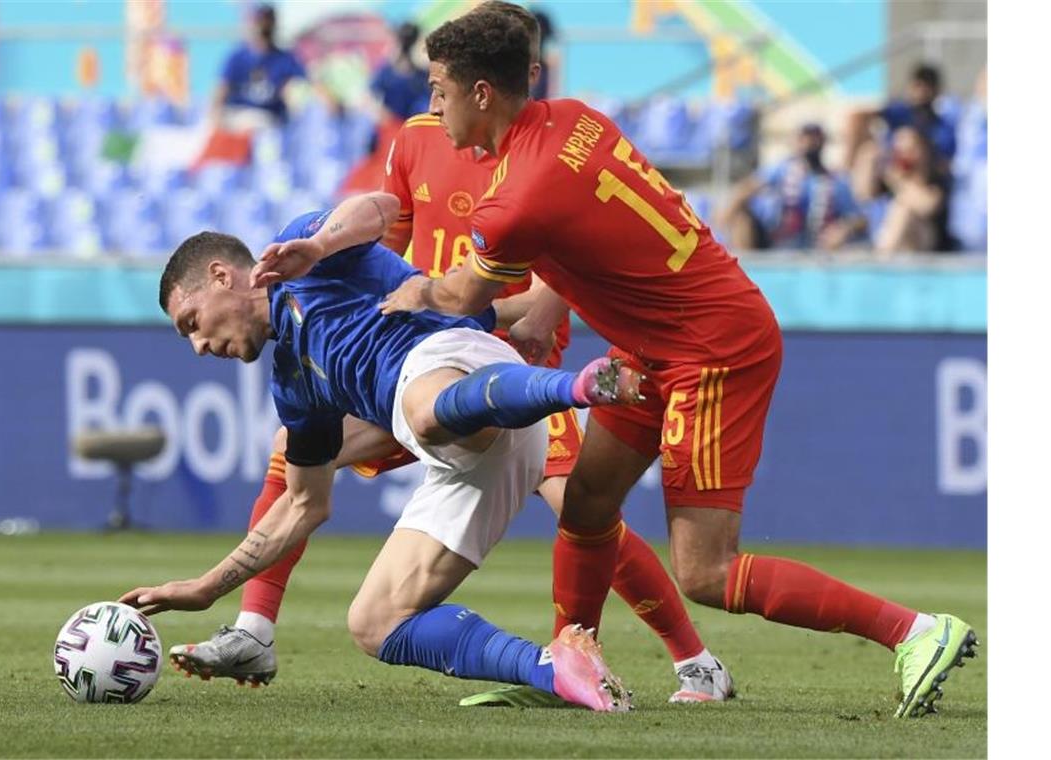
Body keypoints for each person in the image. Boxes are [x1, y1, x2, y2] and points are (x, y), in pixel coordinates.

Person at [377, 4, 979, 718]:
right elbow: (597, 235)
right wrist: (551, 299)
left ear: (482, 94)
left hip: (711, 347)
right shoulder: (572, 120)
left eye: (440, 88)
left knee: (706, 571)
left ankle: (913, 631)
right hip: (660, 339)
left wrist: (411, 289)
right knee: (592, 500)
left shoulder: (516, 199)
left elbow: (459, 294)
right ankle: (577, 661)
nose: (432, 105)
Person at [173, 0, 732, 708]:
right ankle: (255, 625)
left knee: (581, 507)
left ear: (490, 85)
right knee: (297, 450)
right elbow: (383, 235)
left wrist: (549, 305)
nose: (440, 99)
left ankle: (691, 660)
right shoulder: (416, 139)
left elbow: (586, 247)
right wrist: (367, 300)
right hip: (410, 352)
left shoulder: (547, 148)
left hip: (500, 351)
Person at [120, 191, 640, 712]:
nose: (199, 346)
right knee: (373, 623)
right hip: (469, 452)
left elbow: (382, 207)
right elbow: (304, 505)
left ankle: (579, 387)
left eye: (191, 322)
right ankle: (558, 667)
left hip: (460, 365)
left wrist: (319, 244)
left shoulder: (299, 254)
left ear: (220, 276)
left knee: (420, 411)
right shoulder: (293, 386)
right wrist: (209, 587)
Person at [720, 123, 866, 251]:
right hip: (775, 242)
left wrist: (844, 229)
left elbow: (860, 219)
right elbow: (748, 187)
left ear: (823, 141)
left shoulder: (836, 181)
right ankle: (745, 268)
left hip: (817, 246)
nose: (810, 143)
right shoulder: (781, 170)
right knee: (741, 216)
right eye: (805, 137)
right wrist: (729, 211)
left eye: (815, 137)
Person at [846, 63, 956, 203]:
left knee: (910, 140)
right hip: (890, 172)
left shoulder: (944, 127)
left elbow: (944, 165)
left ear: (935, 91)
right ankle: (859, 200)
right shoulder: (901, 112)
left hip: (920, 180)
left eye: (926, 88)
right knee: (870, 153)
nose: (921, 93)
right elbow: (861, 116)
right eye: (917, 86)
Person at [210, 3, 307, 129]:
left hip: (270, 121)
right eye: (260, 22)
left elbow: (299, 91)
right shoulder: (238, 57)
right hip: (237, 118)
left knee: (261, 123)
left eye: (268, 22)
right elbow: (220, 91)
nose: (264, 27)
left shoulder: (285, 59)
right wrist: (215, 116)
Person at [873, 126, 954, 255]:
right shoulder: (890, 182)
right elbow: (863, 195)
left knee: (903, 211)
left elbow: (928, 205)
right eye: (900, 151)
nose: (906, 155)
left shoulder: (937, 180)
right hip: (898, 247)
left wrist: (899, 184)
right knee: (899, 209)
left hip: (930, 247)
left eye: (911, 150)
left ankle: (882, 259)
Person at [370, 22, 430, 123]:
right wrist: (382, 113)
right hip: (393, 127)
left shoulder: (422, 75)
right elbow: (370, 96)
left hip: (415, 125)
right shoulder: (386, 72)